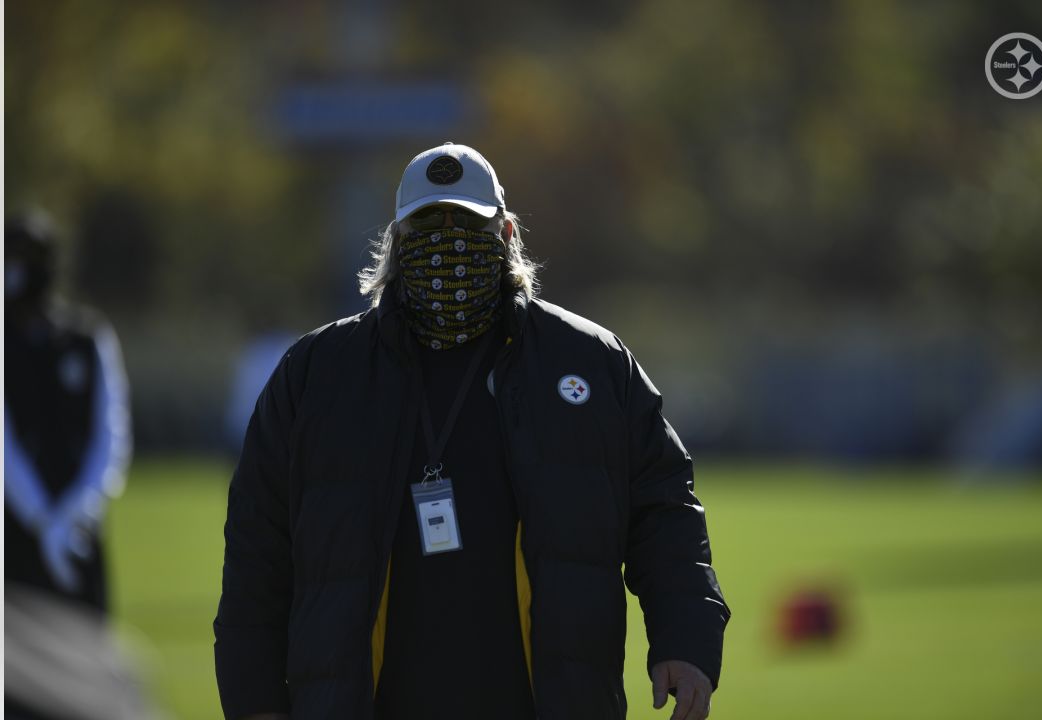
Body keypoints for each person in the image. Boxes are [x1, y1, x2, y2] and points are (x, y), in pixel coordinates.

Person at [214, 143, 729, 720]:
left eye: (469, 221)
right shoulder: (316, 373)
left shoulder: (590, 362)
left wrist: (686, 640)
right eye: (429, 222)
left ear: (507, 232)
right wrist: (254, 699)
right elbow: (258, 549)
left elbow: (664, 509)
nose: (449, 237)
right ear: (397, 241)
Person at [4, 209, 132, 613]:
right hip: (13, 537)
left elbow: (112, 436)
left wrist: (73, 515)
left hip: (79, 533)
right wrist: (42, 520)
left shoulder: (86, 338)